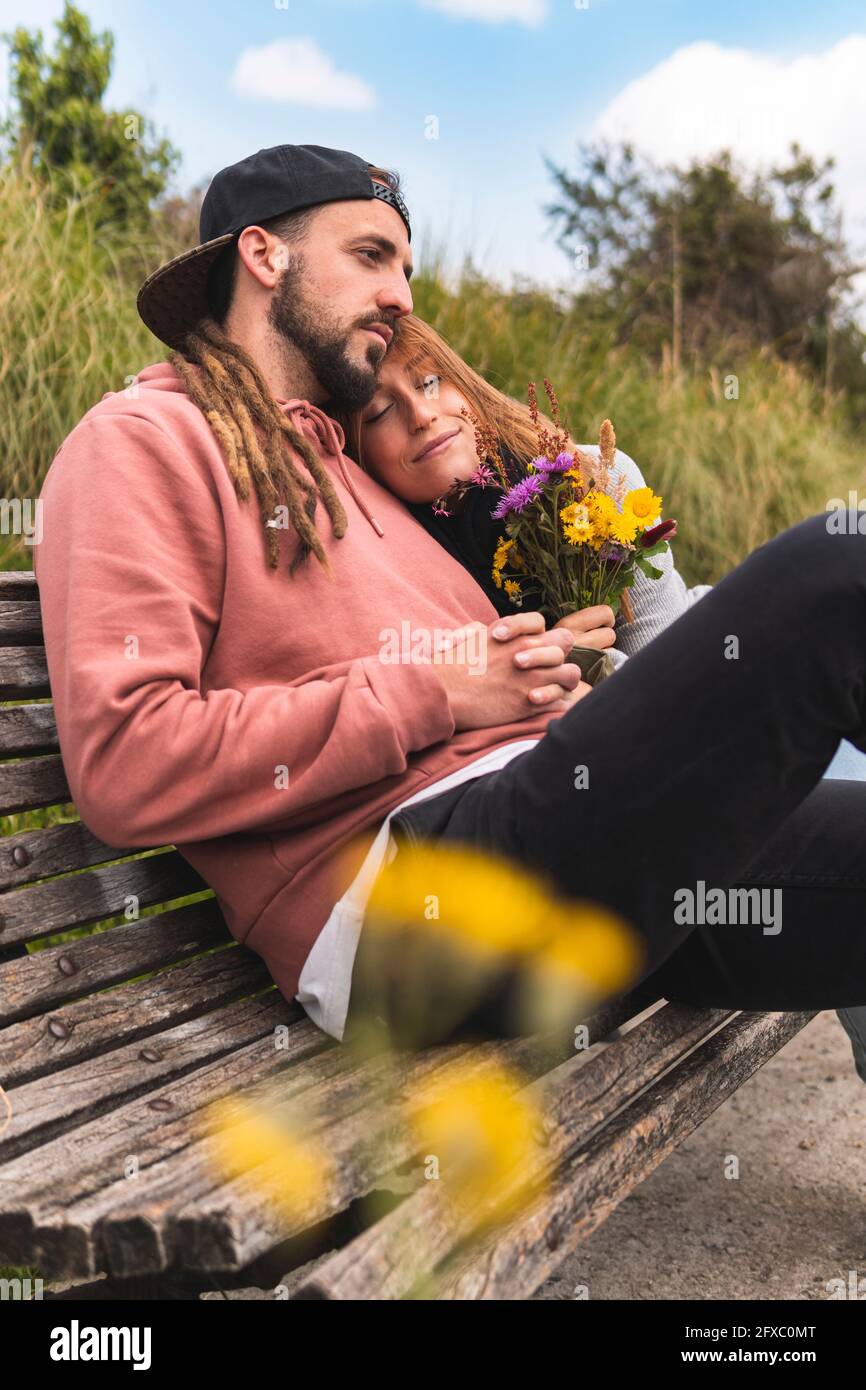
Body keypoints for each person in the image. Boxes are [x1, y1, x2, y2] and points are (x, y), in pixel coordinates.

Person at [33, 144, 866, 1072]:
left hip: (554, 838)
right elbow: (122, 759)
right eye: (371, 256)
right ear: (265, 257)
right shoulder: (143, 442)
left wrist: (570, 688)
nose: (403, 296)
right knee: (840, 568)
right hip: (405, 896)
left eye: (408, 269)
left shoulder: (361, 474)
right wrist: (433, 689)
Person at [330, 312, 866, 1071]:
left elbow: (678, 653)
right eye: (378, 413)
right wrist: (554, 677)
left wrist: (604, 669)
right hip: (573, 830)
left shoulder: (589, 475)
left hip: (678, 709)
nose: (421, 414)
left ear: (462, 378)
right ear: (354, 449)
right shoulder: (392, 552)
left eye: (428, 379)